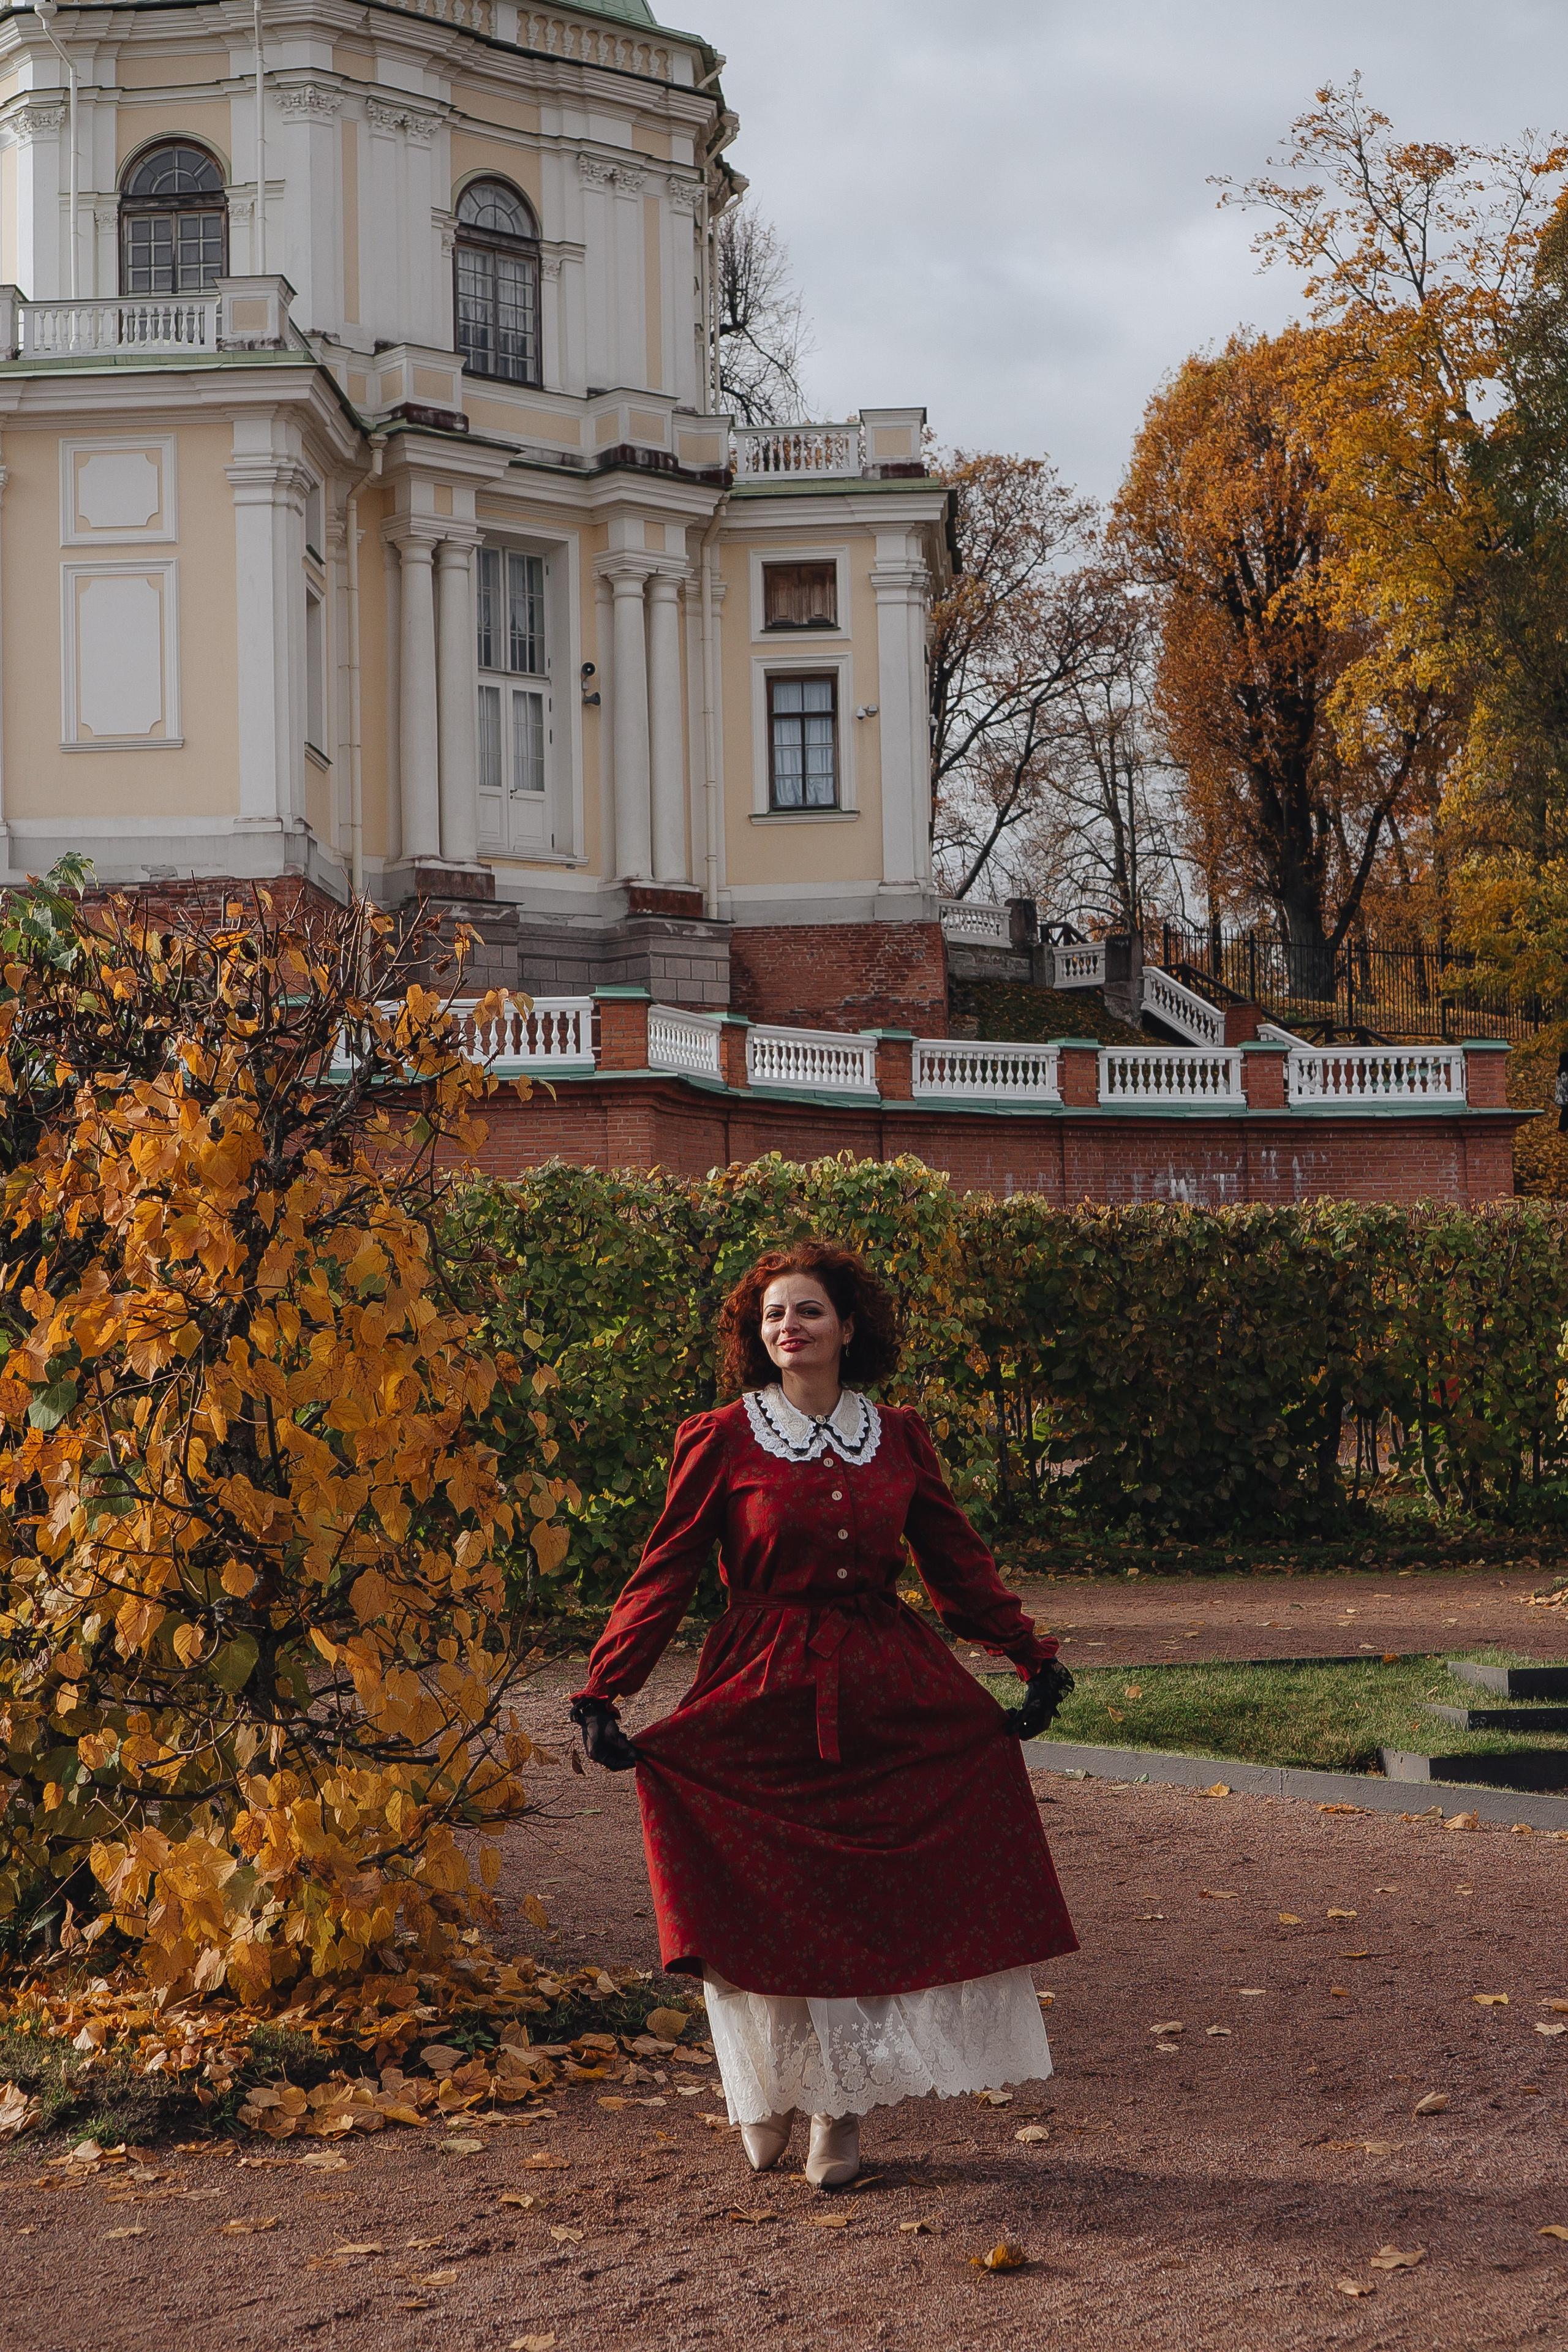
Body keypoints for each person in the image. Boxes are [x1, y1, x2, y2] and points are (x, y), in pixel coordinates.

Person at [570, 1242, 1078, 2190]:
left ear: (848, 1327)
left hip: (886, 1692)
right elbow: (669, 1570)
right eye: (771, 1316)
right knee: (755, 1908)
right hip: (758, 1693)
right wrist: (606, 1687)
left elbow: (954, 1564)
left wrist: (1029, 1655)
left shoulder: (898, 1436)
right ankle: (762, 2086)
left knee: (855, 1914)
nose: (787, 1328)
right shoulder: (721, 1436)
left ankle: (837, 2113)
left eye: (806, 1311)